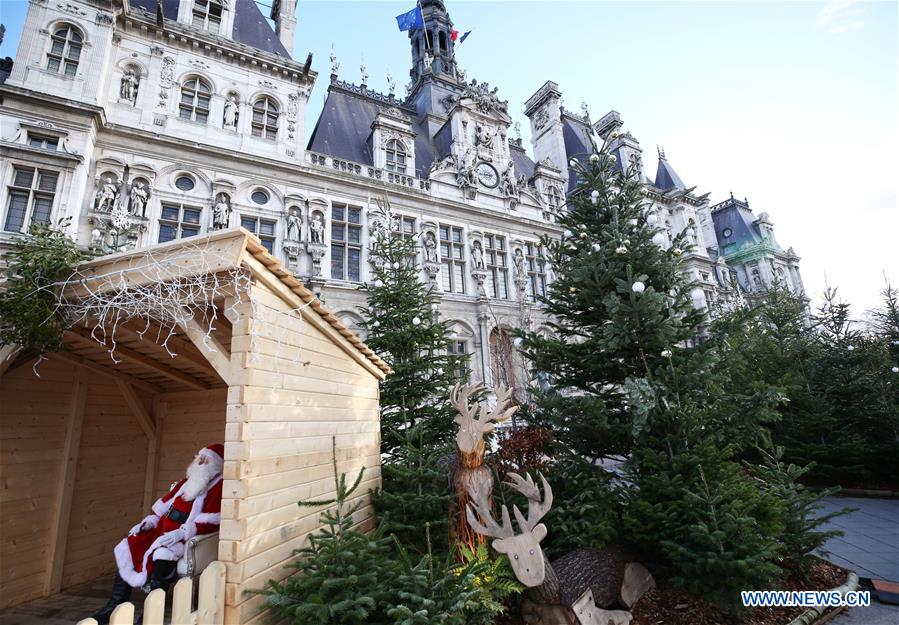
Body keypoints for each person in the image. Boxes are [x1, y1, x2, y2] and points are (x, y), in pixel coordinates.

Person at [89, 444, 224, 624]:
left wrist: (181, 533)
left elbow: (211, 521)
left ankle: (151, 615)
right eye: (199, 457)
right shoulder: (189, 481)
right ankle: (114, 605)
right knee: (129, 546)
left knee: (163, 555)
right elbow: (163, 506)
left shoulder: (218, 486)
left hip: (182, 536)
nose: (200, 462)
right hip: (160, 529)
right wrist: (148, 522)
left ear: (215, 464)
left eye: (205, 459)